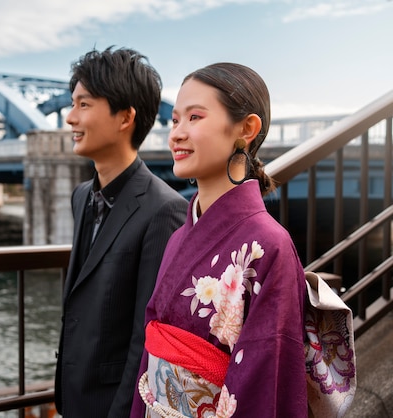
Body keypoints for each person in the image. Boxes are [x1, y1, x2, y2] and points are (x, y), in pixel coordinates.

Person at [130, 62, 308, 417]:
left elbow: (265, 382)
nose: (176, 134)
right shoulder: (179, 237)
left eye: (194, 117)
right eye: (175, 120)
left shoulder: (268, 246)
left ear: (246, 128)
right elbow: (151, 355)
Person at [54, 46, 188, 417]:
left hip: (114, 406)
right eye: (72, 104)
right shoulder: (82, 195)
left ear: (125, 117)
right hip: (73, 399)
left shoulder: (165, 210)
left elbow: (145, 339)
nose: (69, 118)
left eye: (83, 105)